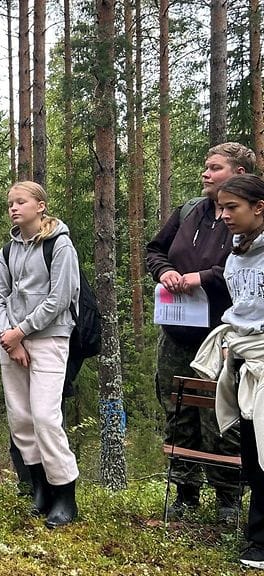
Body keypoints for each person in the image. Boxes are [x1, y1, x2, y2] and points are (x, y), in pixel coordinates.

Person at [147, 142, 255, 523]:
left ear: (239, 174)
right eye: (205, 167)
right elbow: (155, 249)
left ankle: (228, 499)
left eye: (214, 168)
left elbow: (244, 267)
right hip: (176, 331)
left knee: (220, 414)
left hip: (221, 335)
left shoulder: (248, 218)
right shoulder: (189, 210)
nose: (205, 174)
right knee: (177, 409)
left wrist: (202, 277)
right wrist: (166, 272)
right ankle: (184, 492)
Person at [0, 181, 80, 529]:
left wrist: (21, 331)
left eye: (21, 202)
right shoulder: (7, 251)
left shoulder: (60, 244)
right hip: (12, 342)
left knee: (45, 416)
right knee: (21, 419)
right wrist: (9, 337)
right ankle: (40, 488)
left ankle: (65, 495)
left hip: (49, 338)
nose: (13, 208)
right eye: (10, 203)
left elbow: (60, 298)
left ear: (40, 206)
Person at [191, 174, 264, 568]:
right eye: (220, 208)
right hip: (243, 359)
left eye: (232, 207)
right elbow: (242, 307)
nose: (223, 216)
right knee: (252, 450)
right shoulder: (236, 255)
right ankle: (257, 536)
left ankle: (260, 542)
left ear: (259, 207)